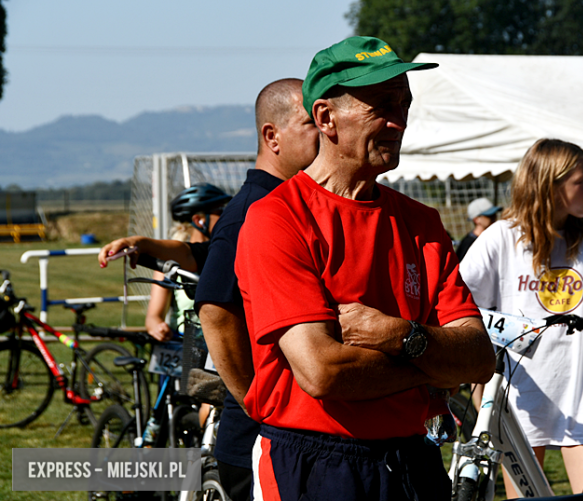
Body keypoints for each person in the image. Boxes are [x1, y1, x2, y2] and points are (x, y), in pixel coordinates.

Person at [235, 36, 495, 501]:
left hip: (412, 458)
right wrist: (432, 367)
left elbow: (477, 358)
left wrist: (400, 336)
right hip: (314, 461)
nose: (398, 121)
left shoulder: (421, 222)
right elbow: (323, 373)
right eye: (381, 106)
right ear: (326, 118)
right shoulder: (277, 218)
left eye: (404, 103)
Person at [98, 78, 319, 501]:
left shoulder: (285, 203)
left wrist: (146, 246)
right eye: (311, 123)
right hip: (261, 432)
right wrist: (256, 400)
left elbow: (211, 258)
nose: (325, 133)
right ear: (272, 136)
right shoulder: (255, 210)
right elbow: (215, 306)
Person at [459, 138, 583, 495]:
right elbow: (459, 298)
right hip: (520, 392)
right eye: (581, 181)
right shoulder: (500, 237)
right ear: (550, 187)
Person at [144, 183, 231, 342]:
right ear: (199, 220)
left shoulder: (229, 254)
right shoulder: (170, 264)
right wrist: (157, 326)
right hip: (187, 346)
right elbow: (153, 317)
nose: (226, 216)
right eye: (220, 212)